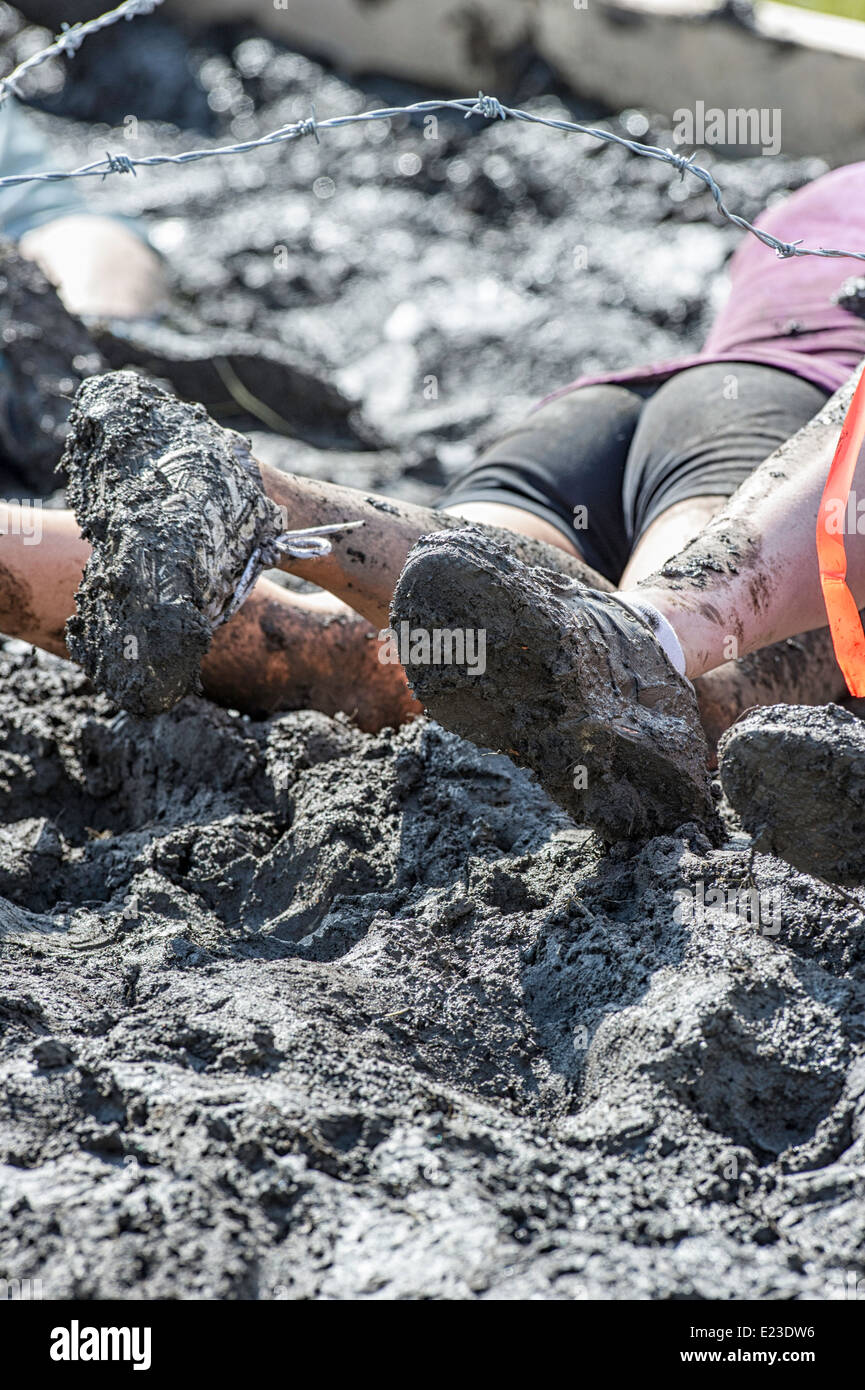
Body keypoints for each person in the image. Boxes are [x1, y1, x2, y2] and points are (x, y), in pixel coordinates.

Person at [3, 139, 865, 840]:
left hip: (601, 421)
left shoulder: (815, 199)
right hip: (773, 437)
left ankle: (251, 500)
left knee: (376, 664)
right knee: (679, 711)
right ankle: (263, 502)